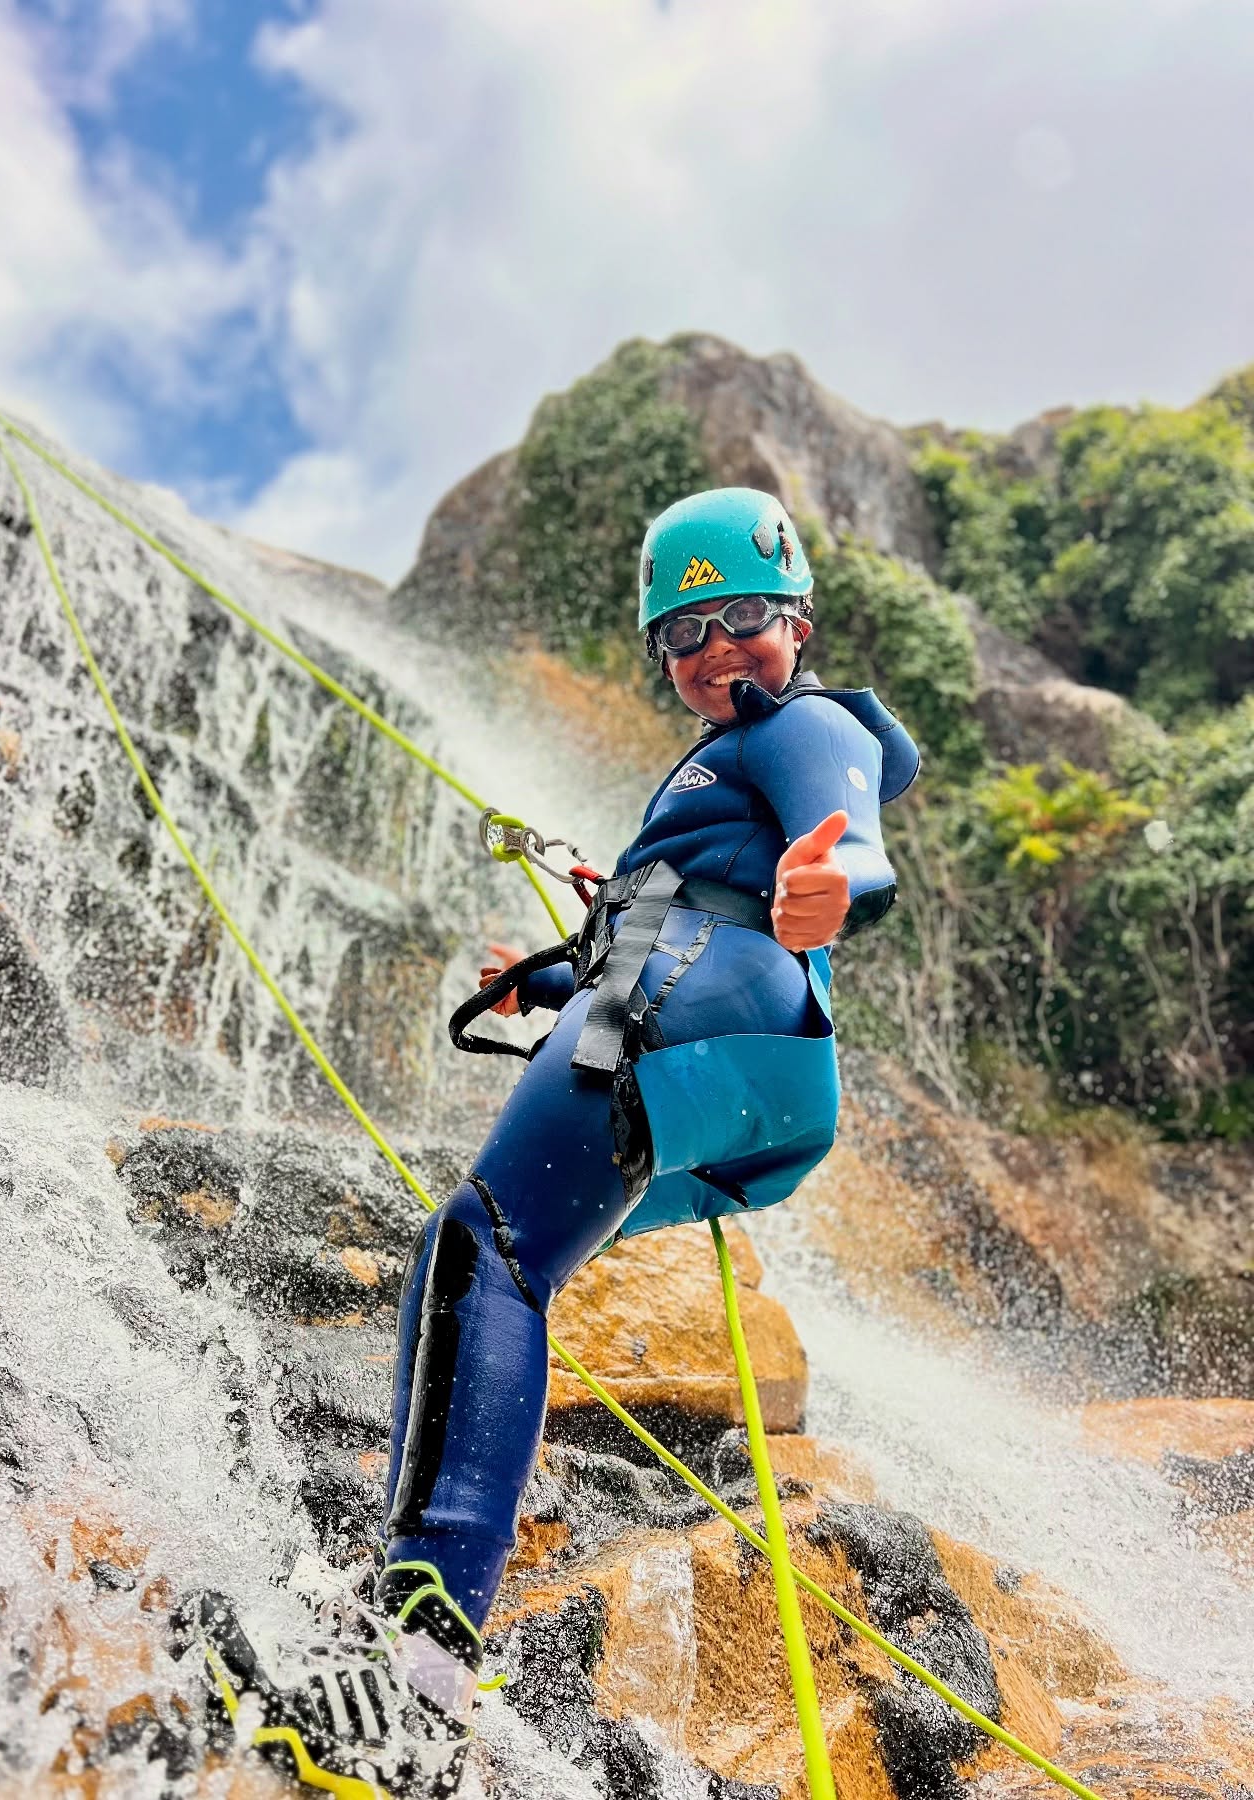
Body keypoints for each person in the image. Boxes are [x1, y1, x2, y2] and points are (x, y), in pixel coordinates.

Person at [198, 487, 919, 1798]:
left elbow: (848, 836)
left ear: (800, 621)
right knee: (495, 1254)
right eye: (685, 631)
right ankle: (413, 1676)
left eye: (747, 616)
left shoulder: (802, 722)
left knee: (482, 1249)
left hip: (717, 1000)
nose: (718, 647)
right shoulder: (711, 776)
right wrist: (550, 976)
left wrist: (834, 890)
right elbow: (680, 897)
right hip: (739, 1052)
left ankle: (408, 1673)